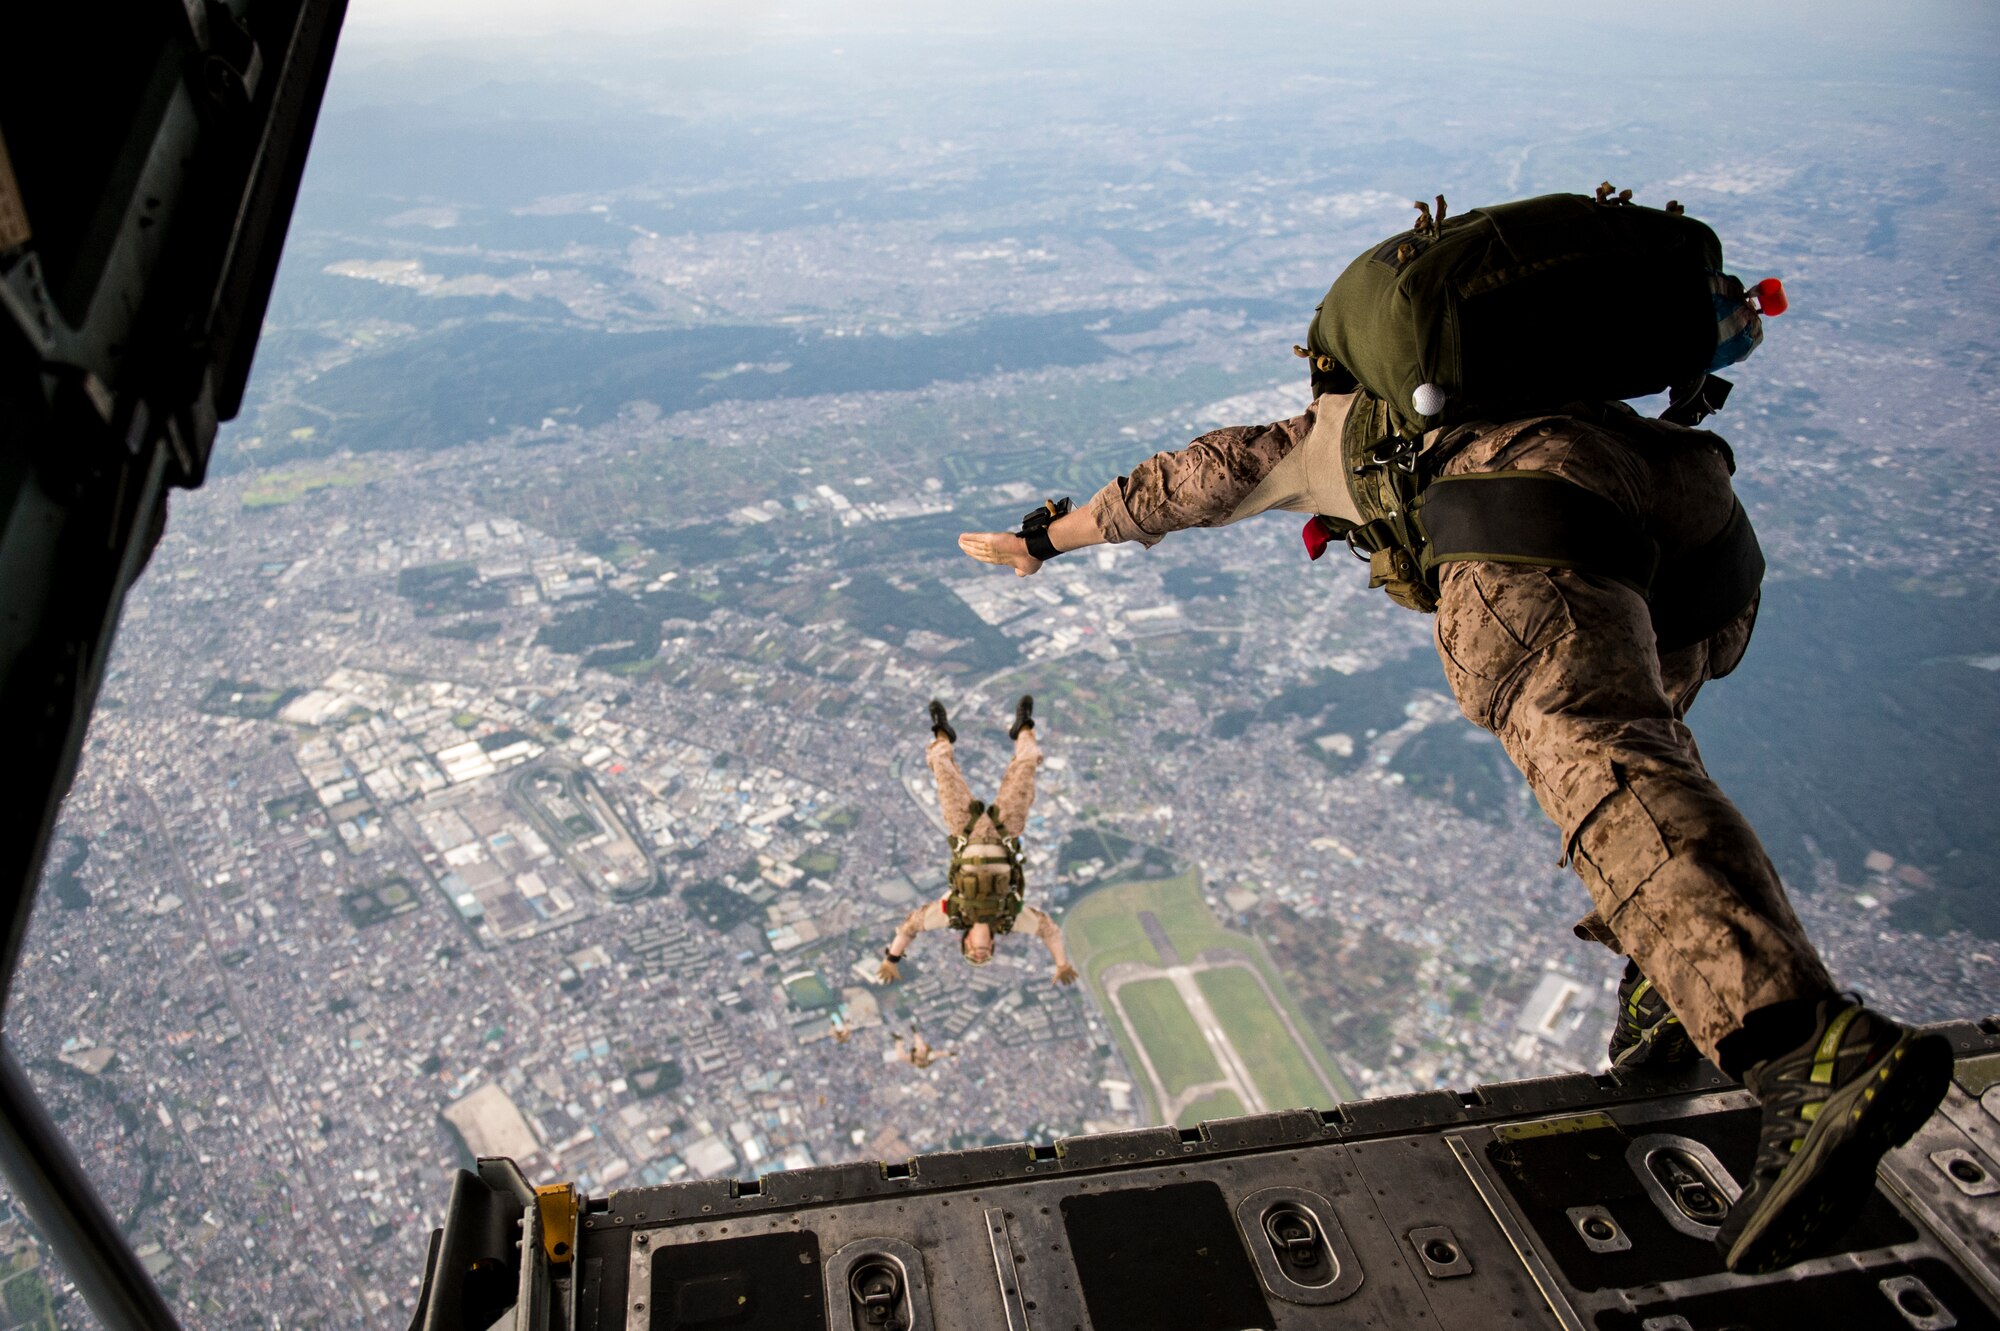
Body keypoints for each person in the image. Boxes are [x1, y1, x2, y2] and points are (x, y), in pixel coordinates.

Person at [957, 389, 1951, 1275]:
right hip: (1705, 542)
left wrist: (1053, 537)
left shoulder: (1351, 422)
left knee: (1595, 766)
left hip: (1529, 522)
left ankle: (1802, 1045)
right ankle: (1671, 982)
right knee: (1651, 762)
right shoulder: (1542, 381)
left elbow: (1196, 480)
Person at [876, 696, 1079, 988]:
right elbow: (1049, 930)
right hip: (1003, 832)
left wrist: (891, 960)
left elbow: (910, 927)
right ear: (993, 947)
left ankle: (942, 732)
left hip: (966, 832)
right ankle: (1023, 726)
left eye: (974, 954)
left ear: (966, 942)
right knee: (1028, 761)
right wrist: (1061, 964)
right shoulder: (1009, 917)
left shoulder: (951, 913)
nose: (980, 953)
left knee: (940, 764)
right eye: (985, 956)